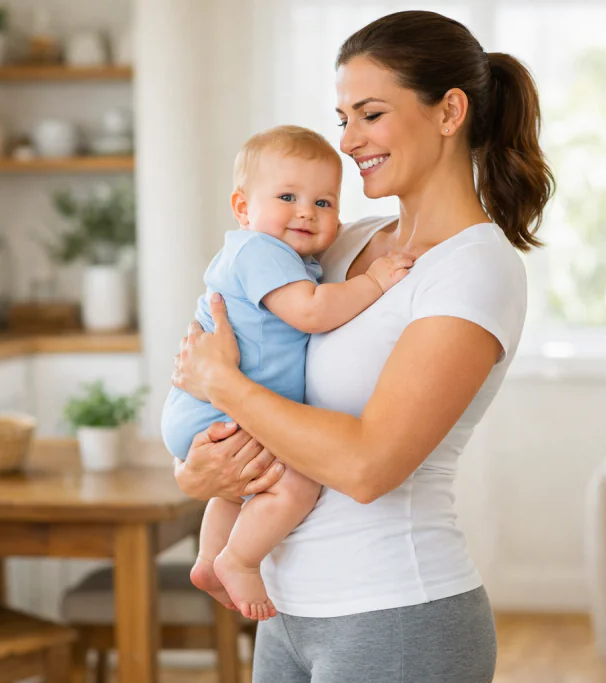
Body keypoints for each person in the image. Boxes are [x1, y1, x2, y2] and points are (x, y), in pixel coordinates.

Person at [172, 10, 553, 682]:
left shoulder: (474, 269)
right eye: (343, 117)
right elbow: (255, 385)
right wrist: (199, 473)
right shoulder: (341, 244)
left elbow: (368, 465)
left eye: (370, 115)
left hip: (396, 616)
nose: (348, 141)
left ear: (449, 112)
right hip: (286, 611)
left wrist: (223, 384)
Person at [160, 125, 413, 621]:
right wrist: (374, 282)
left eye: (323, 202)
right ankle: (240, 559)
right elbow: (312, 311)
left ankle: (210, 561)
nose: (306, 212)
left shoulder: (287, 256)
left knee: (242, 491)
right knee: (295, 484)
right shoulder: (260, 251)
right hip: (215, 408)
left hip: (207, 408)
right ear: (243, 208)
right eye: (287, 197)